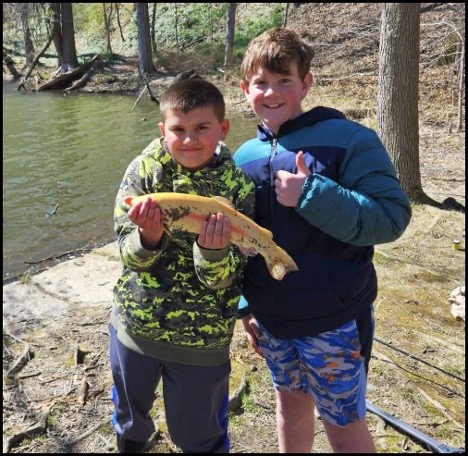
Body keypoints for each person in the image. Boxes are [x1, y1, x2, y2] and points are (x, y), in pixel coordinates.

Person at [233, 28, 412, 453]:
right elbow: (243, 243)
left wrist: (311, 193)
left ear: (306, 83)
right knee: (289, 405)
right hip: (274, 321)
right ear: (244, 89)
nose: (271, 93)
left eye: (284, 81)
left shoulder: (349, 140)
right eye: (261, 83)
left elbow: (391, 218)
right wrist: (245, 307)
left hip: (334, 321)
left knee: (343, 424)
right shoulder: (242, 157)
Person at [109, 77, 255, 453]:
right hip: (136, 327)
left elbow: (226, 279)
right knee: (130, 421)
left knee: (199, 435)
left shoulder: (238, 186)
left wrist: (213, 252)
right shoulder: (142, 173)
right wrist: (148, 237)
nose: (189, 139)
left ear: (222, 129)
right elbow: (127, 254)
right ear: (163, 130)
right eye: (178, 129)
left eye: (201, 128)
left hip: (202, 340)